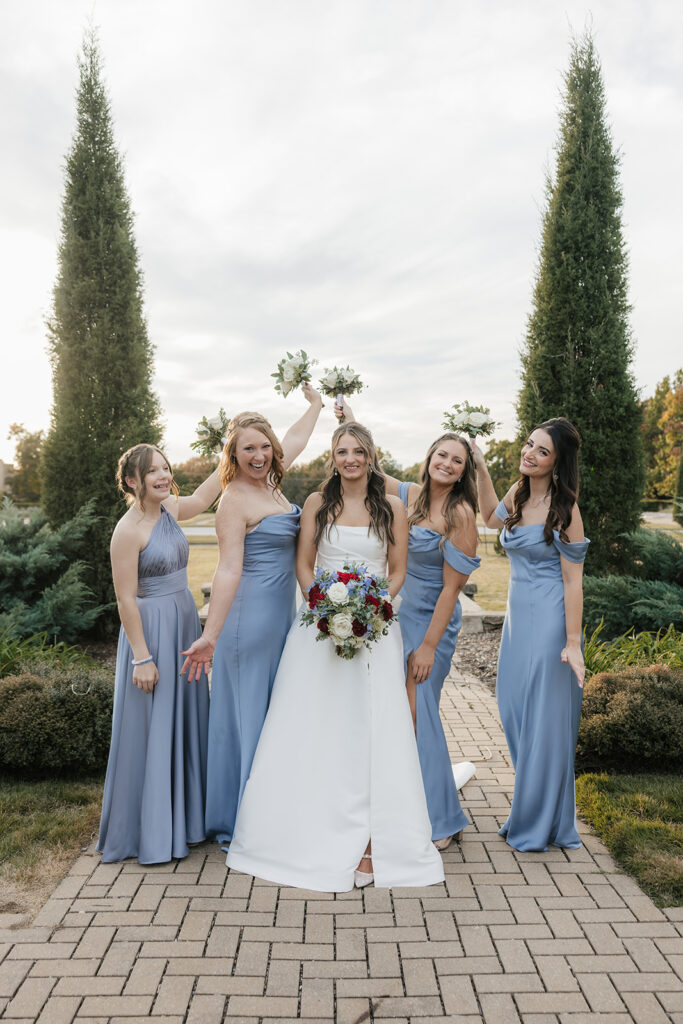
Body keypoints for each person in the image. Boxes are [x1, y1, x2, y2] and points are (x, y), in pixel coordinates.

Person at [226, 423, 445, 891]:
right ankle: (300, 827)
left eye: (358, 451)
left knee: (371, 729)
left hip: (376, 628)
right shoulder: (316, 504)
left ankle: (371, 842)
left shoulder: (393, 507)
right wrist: (325, 609)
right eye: (342, 451)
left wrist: (371, 610)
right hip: (319, 630)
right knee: (313, 724)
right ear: (333, 456)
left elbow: (398, 570)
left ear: (370, 456)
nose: (350, 459)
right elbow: (304, 564)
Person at [181, 384, 323, 845]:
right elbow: (227, 569)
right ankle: (238, 817)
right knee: (247, 717)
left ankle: (266, 807)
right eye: (249, 449)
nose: (259, 455)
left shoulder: (274, 486)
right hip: (247, 624)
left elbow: (296, 441)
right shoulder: (235, 499)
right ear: (234, 454)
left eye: (265, 446)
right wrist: (211, 634)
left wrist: (316, 406)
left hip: (279, 618)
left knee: (271, 713)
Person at [336, 400, 479, 850]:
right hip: (398, 615)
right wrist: (350, 420)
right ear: (430, 458)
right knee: (404, 714)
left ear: (463, 471)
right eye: (442, 455)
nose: (447, 464)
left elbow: (452, 590)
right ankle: (409, 806)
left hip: (432, 620)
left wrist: (428, 647)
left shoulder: (461, 515)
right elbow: (369, 468)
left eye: (457, 460)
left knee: (421, 715)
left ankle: (442, 819)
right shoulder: (411, 497)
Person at [97, 443, 221, 864]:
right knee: (154, 725)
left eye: (166, 469)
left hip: (183, 621)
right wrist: (141, 657)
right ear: (133, 481)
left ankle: (186, 822)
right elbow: (125, 599)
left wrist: (232, 455)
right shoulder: (128, 530)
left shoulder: (170, 510)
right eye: (154, 472)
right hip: (150, 631)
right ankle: (150, 830)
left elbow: (206, 497)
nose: (164, 476)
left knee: (184, 718)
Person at [472, 418, 589, 851]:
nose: (529, 454)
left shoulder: (565, 508)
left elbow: (574, 581)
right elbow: (487, 519)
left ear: (557, 462)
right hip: (518, 619)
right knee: (512, 705)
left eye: (541, 451)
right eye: (528, 445)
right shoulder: (518, 494)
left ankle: (538, 820)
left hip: (550, 621)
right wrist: (481, 466)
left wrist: (572, 643)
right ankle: (541, 804)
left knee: (544, 718)